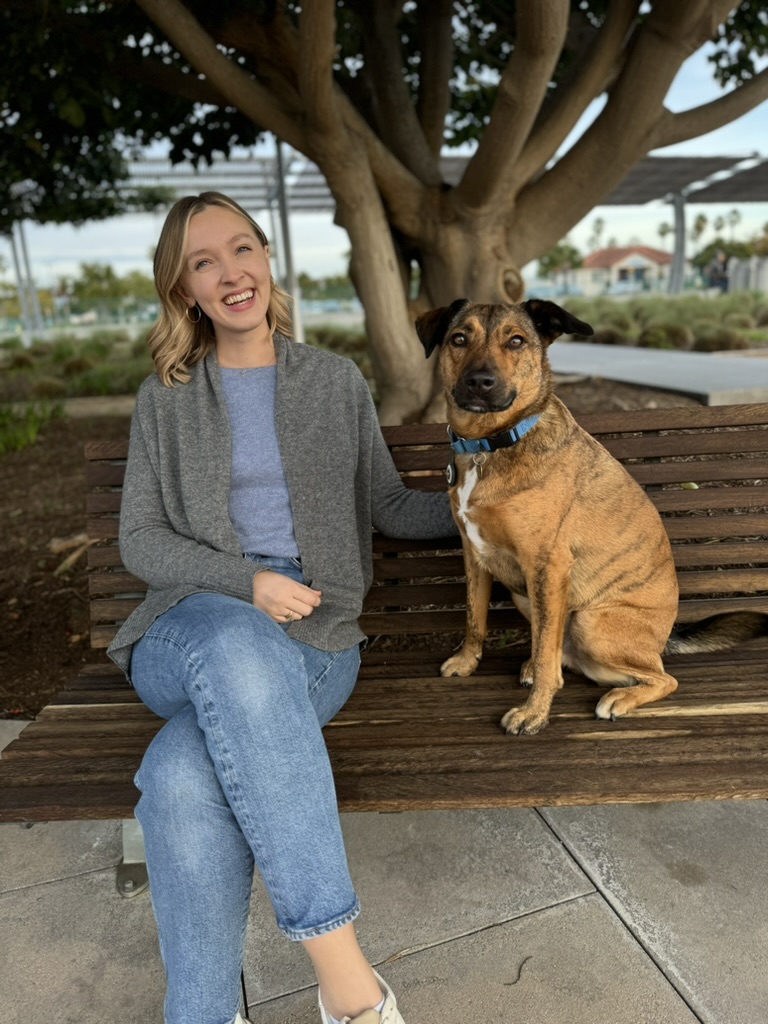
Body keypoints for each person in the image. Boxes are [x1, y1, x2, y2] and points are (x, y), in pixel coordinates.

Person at [107, 191, 456, 1024]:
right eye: (204, 262)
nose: (231, 273)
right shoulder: (167, 396)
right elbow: (141, 541)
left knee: (180, 774)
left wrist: (488, 502)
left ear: (268, 261)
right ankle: (348, 983)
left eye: (242, 249)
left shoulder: (334, 383)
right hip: (189, 625)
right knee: (234, 642)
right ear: (185, 289)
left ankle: (199, 1015)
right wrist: (245, 581)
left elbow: (388, 503)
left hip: (317, 639)